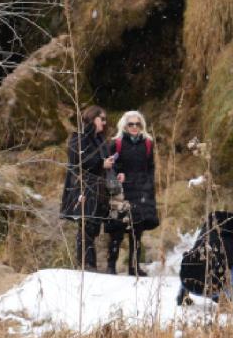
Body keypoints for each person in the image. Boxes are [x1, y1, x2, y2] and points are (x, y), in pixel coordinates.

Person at [60, 105, 114, 271]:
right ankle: (86, 265)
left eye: (105, 119)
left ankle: (90, 265)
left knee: (94, 227)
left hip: (98, 189)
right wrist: (101, 163)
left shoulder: (100, 139)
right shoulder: (79, 137)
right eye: (101, 119)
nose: (104, 122)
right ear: (92, 118)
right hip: (83, 189)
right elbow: (79, 160)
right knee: (86, 226)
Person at [106, 111, 159, 276]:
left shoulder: (148, 144)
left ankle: (134, 267)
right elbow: (110, 165)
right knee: (117, 229)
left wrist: (149, 186)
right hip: (122, 191)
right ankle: (111, 266)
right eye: (131, 124)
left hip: (141, 190)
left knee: (137, 231)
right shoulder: (117, 143)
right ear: (125, 125)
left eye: (138, 124)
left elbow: (150, 167)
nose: (135, 127)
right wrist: (118, 175)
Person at [177, 211, 233, 312]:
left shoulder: (207, 229)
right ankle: (225, 301)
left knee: (194, 254)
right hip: (214, 288)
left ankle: (184, 292)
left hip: (189, 282)